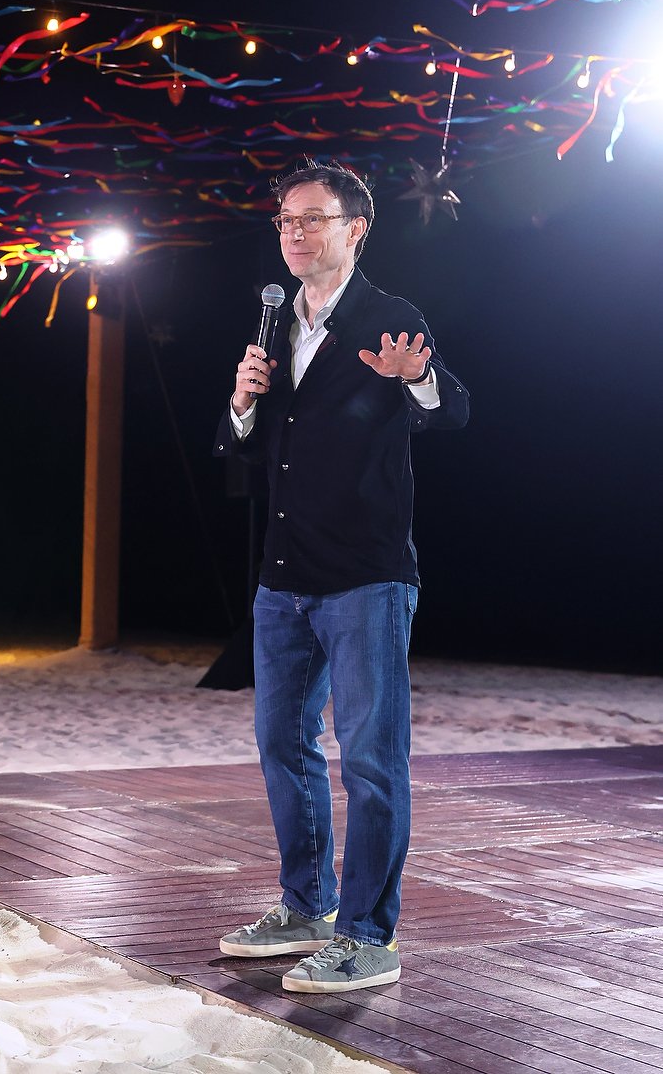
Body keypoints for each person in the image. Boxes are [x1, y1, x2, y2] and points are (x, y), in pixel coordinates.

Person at [214, 160, 468, 994]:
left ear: (355, 229)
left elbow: (453, 408)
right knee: (283, 747)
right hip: (282, 577)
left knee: (370, 761)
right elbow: (248, 447)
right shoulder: (273, 323)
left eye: (312, 218)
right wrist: (242, 403)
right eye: (286, 220)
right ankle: (306, 906)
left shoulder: (390, 318)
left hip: (365, 578)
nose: (294, 232)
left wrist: (416, 378)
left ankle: (367, 936)